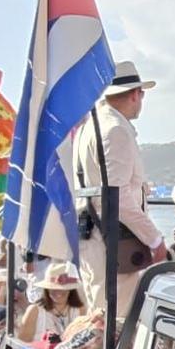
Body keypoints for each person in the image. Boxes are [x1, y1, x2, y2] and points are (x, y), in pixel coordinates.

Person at [72, 60, 168, 317]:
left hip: (94, 235)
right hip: (114, 241)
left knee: (101, 313)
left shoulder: (87, 129)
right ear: (135, 94)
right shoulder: (115, 130)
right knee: (120, 318)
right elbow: (117, 197)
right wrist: (154, 238)